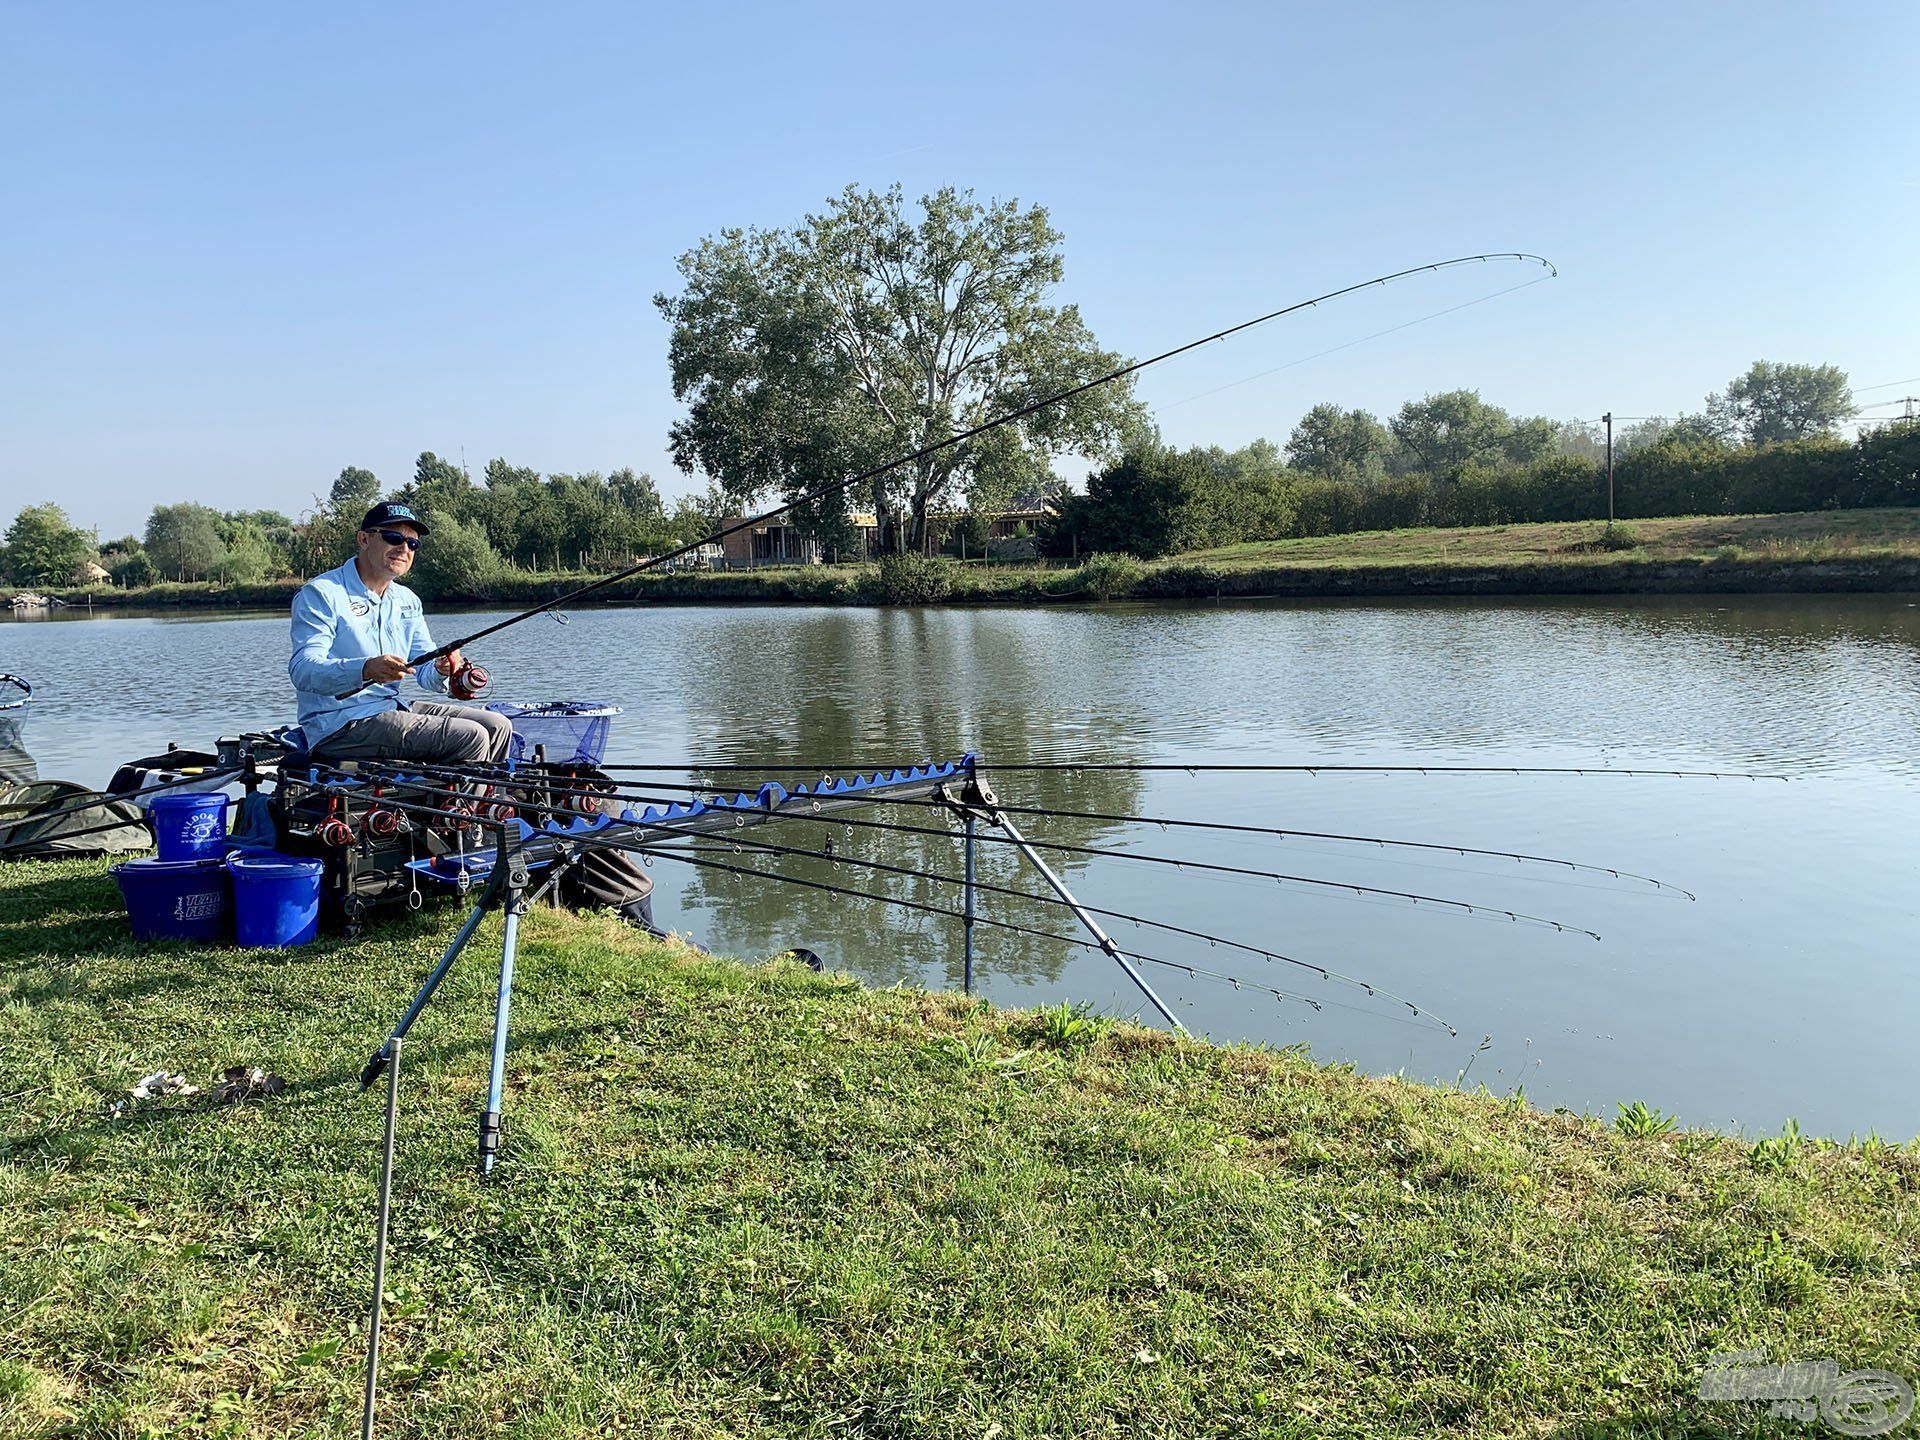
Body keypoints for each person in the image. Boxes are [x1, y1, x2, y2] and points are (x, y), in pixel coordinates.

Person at [288, 502, 512, 767]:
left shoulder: (407, 600)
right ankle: (463, 809)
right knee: (470, 736)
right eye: (393, 537)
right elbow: (302, 671)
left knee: (498, 725)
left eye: (412, 544)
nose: (404, 548)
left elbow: (426, 672)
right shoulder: (322, 594)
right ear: (364, 539)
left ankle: (490, 804)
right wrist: (365, 669)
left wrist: (442, 668)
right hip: (339, 724)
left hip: (391, 707)